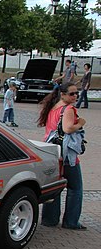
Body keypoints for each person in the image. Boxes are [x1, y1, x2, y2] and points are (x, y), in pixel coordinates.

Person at [37, 82, 86, 230]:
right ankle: (71, 222)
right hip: (66, 154)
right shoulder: (69, 109)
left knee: (55, 187)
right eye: (71, 93)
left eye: (76, 93)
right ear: (63, 94)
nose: (75, 96)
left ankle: (49, 219)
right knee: (75, 188)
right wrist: (81, 123)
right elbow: (67, 129)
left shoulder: (53, 107)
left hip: (52, 151)